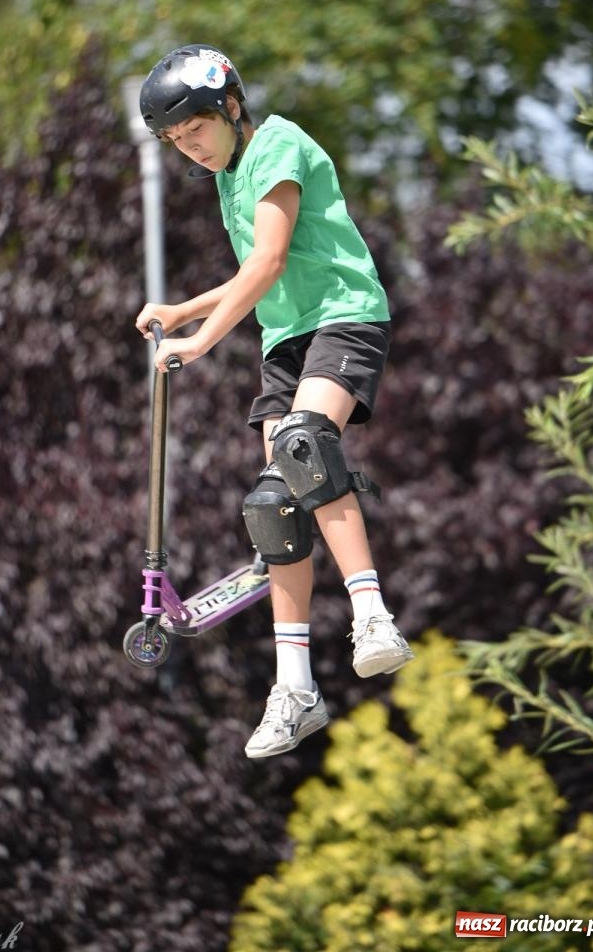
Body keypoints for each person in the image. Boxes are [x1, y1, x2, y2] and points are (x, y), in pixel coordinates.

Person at [135, 44, 412, 760]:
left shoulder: (279, 144)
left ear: (228, 105)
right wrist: (183, 308)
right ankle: (294, 690)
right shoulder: (228, 177)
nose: (188, 148)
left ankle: (371, 615)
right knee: (274, 506)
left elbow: (268, 262)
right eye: (173, 141)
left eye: (193, 128)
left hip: (344, 318)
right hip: (286, 340)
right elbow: (245, 277)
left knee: (303, 447)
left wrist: (197, 343)